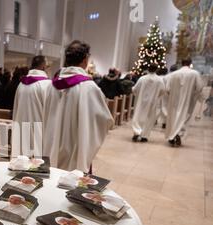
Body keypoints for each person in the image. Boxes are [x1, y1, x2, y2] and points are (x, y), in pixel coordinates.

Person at [43, 40, 114, 172]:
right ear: (85, 60)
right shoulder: (89, 87)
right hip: (75, 149)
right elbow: (104, 120)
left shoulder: (51, 85)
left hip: (51, 147)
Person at [12, 56, 52, 157]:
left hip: (21, 130)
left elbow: (15, 109)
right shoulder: (47, 84)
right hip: (39, 133)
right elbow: (51, 113)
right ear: (43, 67)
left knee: (22, 162)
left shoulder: (21, 84)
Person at [165, 58, 204, 147]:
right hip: (188, 100)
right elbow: (199, 87)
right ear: (190, 63)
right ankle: (178, 134)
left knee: (174, 117)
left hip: (174, 100)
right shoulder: (195, 73)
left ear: (181, 63)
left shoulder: (174, 74)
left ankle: (172, 135)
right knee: (184, 117)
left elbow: (167, 89)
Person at [131, 63, 166, 143]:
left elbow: (135, 89)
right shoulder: (159, 80)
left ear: (148, 69)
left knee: (138, 117)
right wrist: (156, 96)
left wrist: (134, 91)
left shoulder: (142, 78)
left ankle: (137, 133)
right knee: (149, 118)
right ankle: (144, 136)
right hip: (152, 102)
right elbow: (163, 91)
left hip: (141, 101)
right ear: (156, 69)